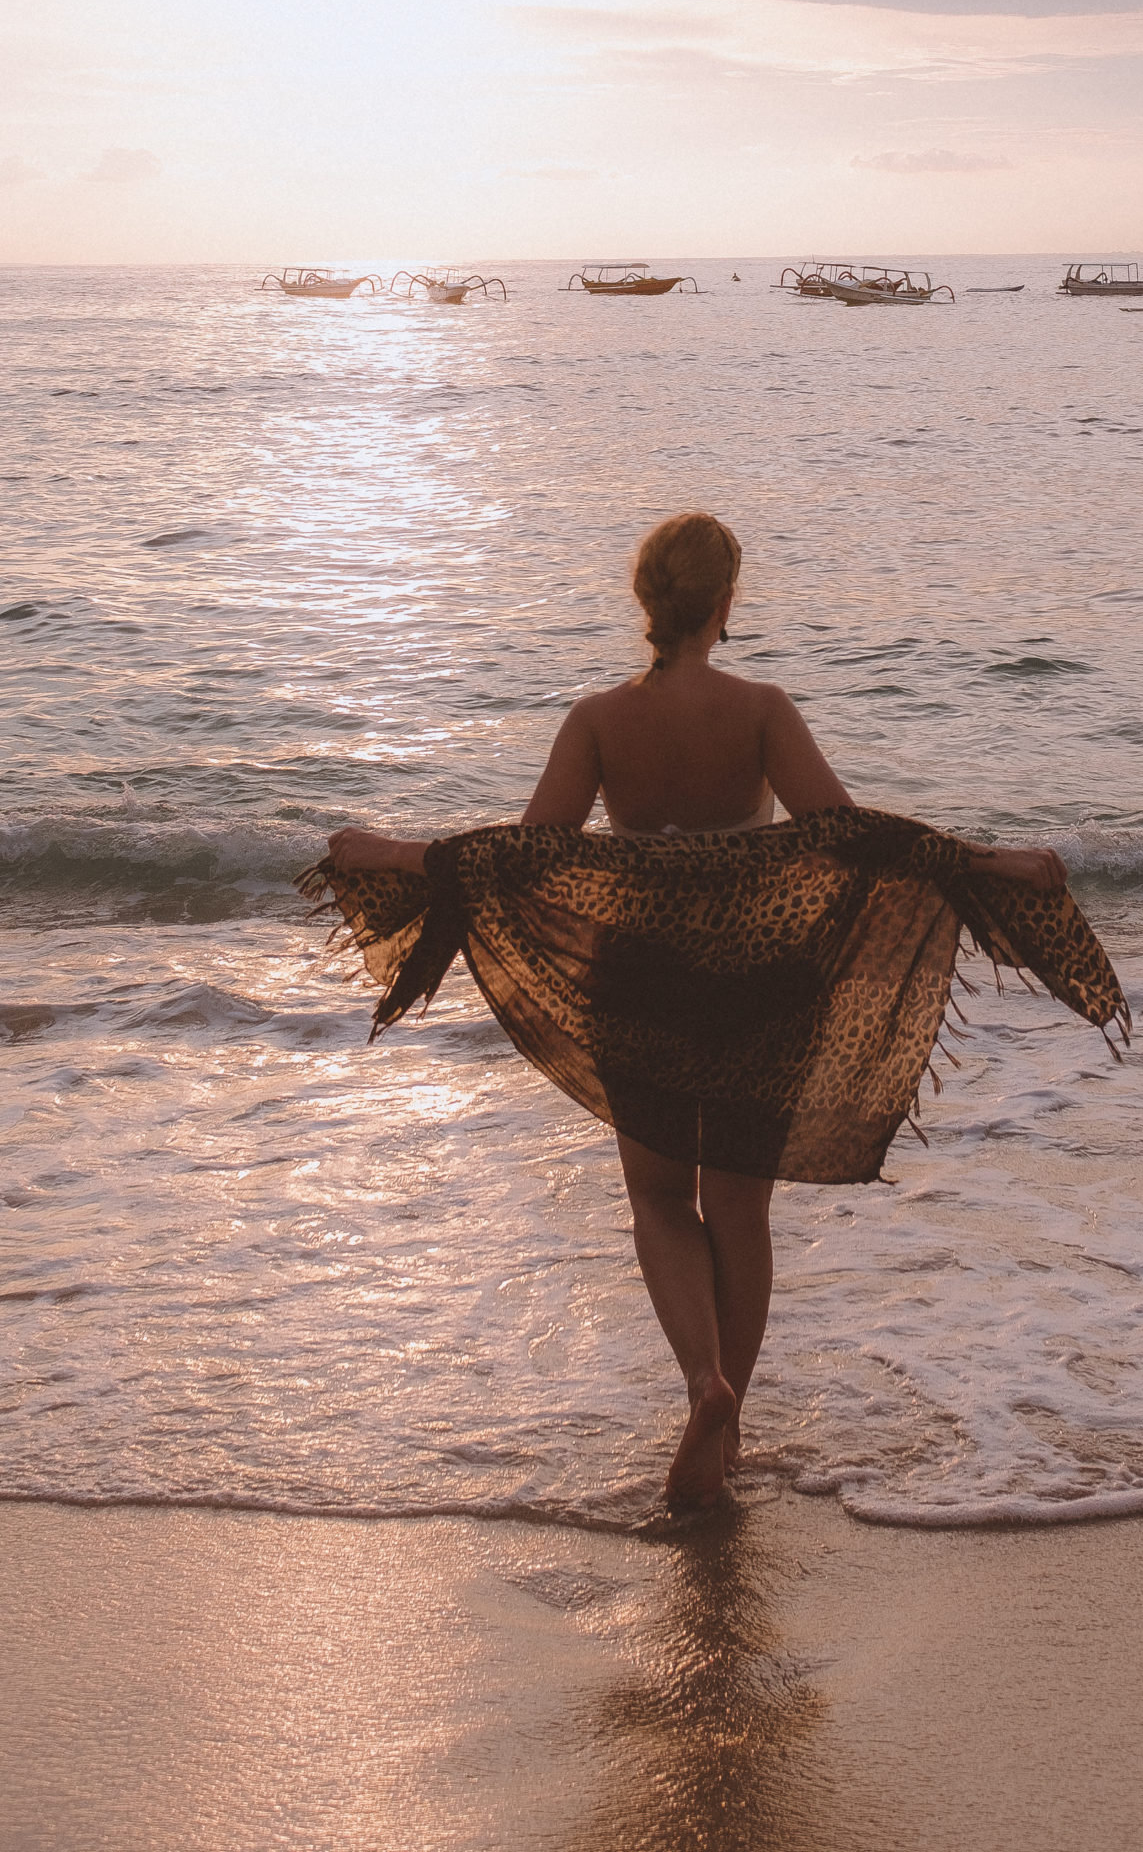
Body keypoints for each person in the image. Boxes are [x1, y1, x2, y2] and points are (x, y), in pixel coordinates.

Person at [325, 512, 1073, 1510]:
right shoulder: (760, 709)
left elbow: (528, 854)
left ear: (645, 602)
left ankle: (699, 1383)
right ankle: (726, 1437)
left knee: (655, 1199)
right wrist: (992, 861)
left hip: (638, 974)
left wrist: (386, 851)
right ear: (727, 602)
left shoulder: (596, 719)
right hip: (760, 977)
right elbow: (850, 836)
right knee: (740, 1209)